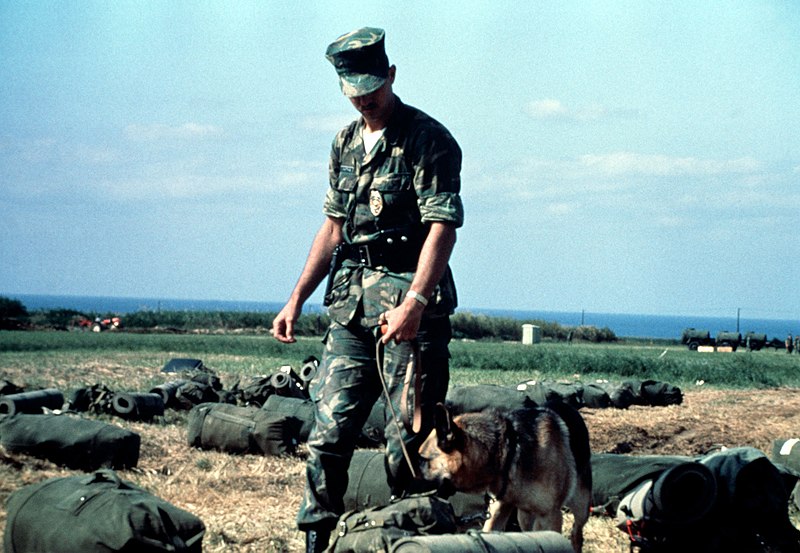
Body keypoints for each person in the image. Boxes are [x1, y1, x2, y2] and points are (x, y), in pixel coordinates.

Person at [271, 27, 464, 553]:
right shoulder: (344, 143)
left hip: (408, 312)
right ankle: (318, 541)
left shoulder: (430, 140)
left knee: (407, 444)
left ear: (392, 75)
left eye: (372, 86)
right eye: (354, 88)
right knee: (327, 435)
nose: (365, 97)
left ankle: (407, 541)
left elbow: (442, 228)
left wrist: (416, 304)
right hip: (352, 310)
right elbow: (333, 227)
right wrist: (296, 299)